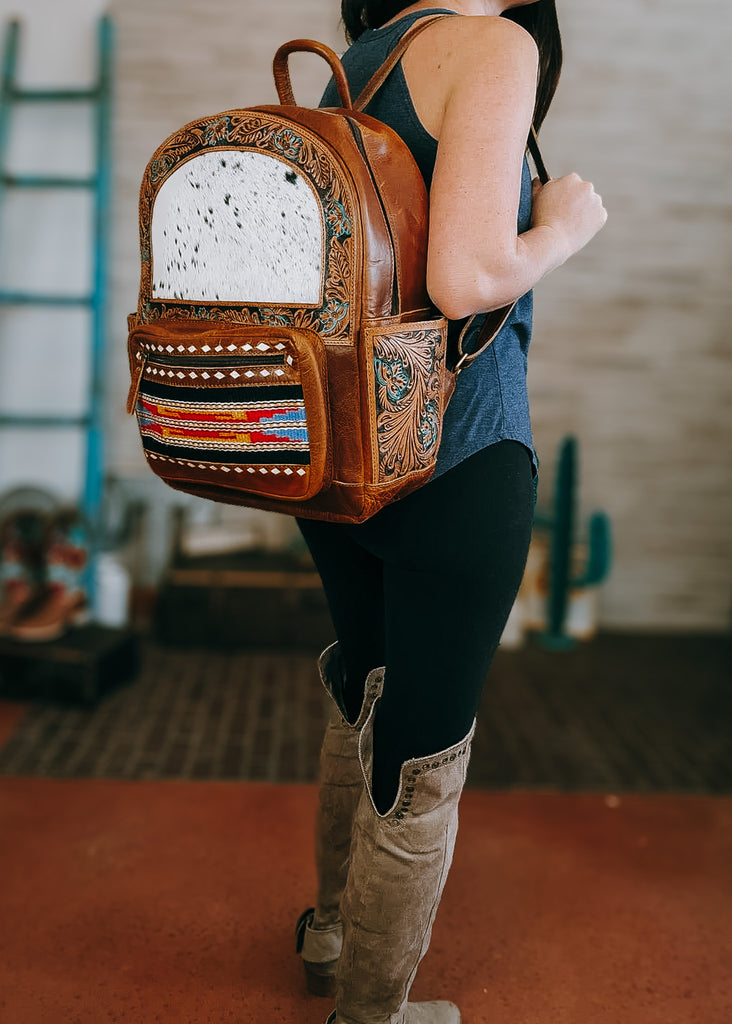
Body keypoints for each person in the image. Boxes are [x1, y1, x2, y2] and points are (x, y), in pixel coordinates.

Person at [294, 3, 607, 1022]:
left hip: (342, 455)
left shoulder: (364, 60)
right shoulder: (494, 45)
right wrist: (561, 227)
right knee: (423, 749)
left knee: (367, 684)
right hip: (459, 456)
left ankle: (331, 932)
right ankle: (371, 1012)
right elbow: (465, 277)